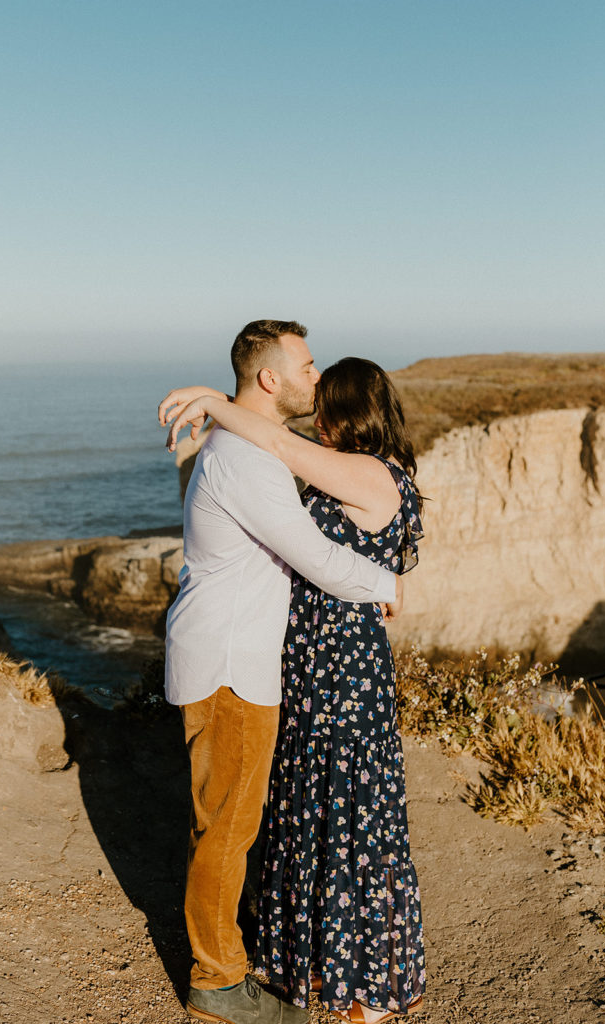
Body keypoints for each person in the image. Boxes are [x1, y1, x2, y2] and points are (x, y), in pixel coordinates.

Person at [165, 355, 426, 1021]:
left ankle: (365, 986)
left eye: (325, 407)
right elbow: (270, 464)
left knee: (348, 817)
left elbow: (277, 443)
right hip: (308, 666)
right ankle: (310, 966)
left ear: (344, 412)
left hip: (340, 670)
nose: (316, 419)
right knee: (307, 813)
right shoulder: (339, 464)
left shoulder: (367, 472)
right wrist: (202, 453)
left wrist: (214, 400)